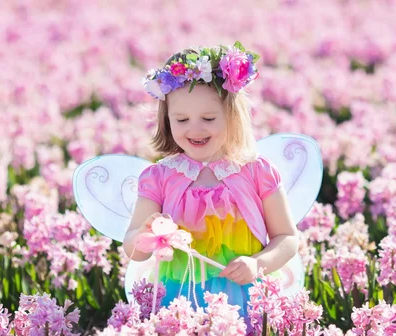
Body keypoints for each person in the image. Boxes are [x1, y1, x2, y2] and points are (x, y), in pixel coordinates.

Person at [123, 44, 299, 321]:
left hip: (246, 296)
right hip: (180, 298)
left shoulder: (256, 171)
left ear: (233, 117)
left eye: (208, 118)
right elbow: (133, 247)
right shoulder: (160, 177)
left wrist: (258, 263)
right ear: (167, 121)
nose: (195, 128)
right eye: (181, 119)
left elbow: (287, 238)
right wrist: (144, 238)